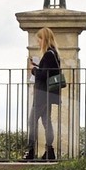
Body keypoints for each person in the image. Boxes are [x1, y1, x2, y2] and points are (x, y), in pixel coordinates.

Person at [25, 27, 62, 161]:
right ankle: (49, 152)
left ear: (44, 39)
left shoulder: (48, 54)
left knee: (32, 121)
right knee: (47, 122)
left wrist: (33, 69)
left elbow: (43, 75)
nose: (38, 43)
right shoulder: (54, 54)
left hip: (42, 94)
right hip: (48, 94)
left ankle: (30, 152)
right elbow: (48, 72)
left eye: (39, 40)